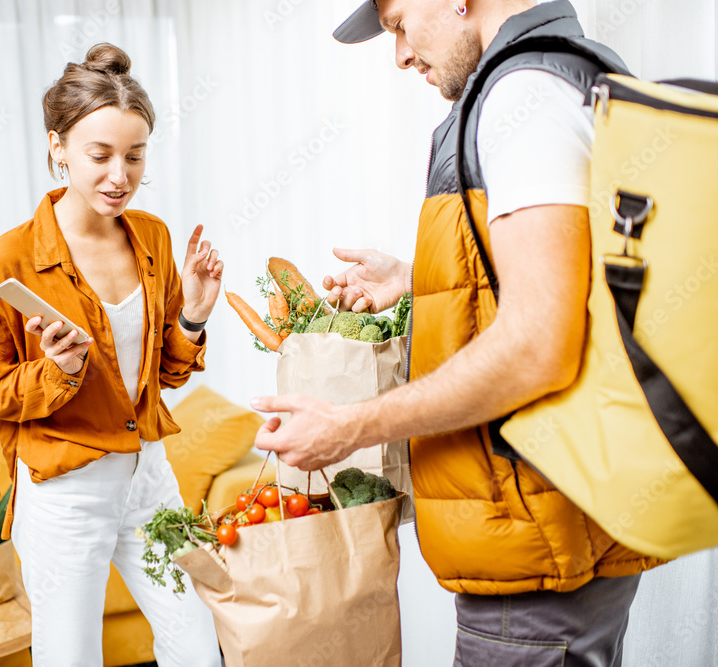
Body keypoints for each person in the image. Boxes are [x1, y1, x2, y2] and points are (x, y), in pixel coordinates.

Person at [251, 1, 665, 664]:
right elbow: (566, 278)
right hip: (551, 528)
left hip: (535, 543)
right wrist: (415, 277)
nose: (401, 54)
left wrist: (349, 425)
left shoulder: (522, 92)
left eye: (397, 24)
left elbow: (536, 345)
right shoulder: (561, 77)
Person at [0, 43, 223, 667]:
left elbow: (162, 376)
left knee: (197, 641)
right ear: (58, 148)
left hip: (149, 476)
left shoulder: (153, 237)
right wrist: (56, 374)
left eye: (135, 157)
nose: (120, 176)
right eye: (100, 155)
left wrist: (193, 314)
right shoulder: (13, 256)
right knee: (70, 656)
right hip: (63, 492)